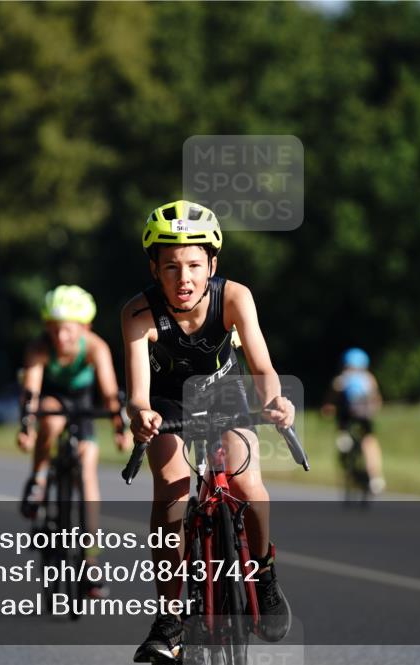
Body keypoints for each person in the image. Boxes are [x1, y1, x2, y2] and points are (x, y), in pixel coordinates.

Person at [121, 200, 295, 662]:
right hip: (167, 405)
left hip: (224, 396)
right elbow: (138, 392)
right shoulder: (138, 314)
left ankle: (263, 572)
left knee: (248, 483)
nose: (184, 279)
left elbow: (262, 367)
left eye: (195, 265)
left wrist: (274, 401)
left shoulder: (235, 297)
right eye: (171, 267)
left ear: (212, 265)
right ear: (155, 269)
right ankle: (170, 615)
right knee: (173, 490)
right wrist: (140, 414)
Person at [16, 285, 128, 594]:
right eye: (53, 329)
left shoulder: (95, 347)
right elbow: (32, 391)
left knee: (87, 465)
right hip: (49, 399)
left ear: (84, 327)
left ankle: (90, 560)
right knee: (51, 419)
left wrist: (121, 427)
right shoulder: (39, 347)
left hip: (82, 403)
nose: (60, 337)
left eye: (67, 330)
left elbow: (109, 393)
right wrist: (26, 428)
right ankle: (38, 479)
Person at [322, 347, 385, 495]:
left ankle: (344, 443)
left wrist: (327, 411)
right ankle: (376, 477)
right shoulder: (368, 378)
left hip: (345, 419)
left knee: (343, 439)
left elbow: (330, 403)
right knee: (369, 442)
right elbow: (377, 400)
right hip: (365, 417)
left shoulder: (341, 379)